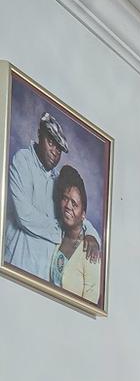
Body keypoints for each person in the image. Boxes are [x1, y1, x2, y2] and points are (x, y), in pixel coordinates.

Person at [4, 112, 99, 283]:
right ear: (40, 135)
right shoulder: (23, 161)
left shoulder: (58, 181)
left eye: (59, 149)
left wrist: (91, 234)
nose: (55, 152)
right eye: (51, 143)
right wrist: (63, 232)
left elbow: (75, 213)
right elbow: (24, 216)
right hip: (16, 264)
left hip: (42, 276)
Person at [50, 165, 100, 304]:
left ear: (83, 214)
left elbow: (92, 296)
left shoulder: (90, 250)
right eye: (65, 199)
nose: (68, 206)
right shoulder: (58, 235)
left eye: (74, 203)